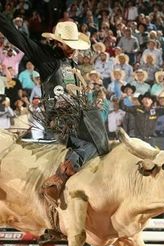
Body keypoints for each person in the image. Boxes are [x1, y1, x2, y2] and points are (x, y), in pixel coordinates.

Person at [0, 15, 110, 207]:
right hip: (60, 118)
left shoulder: (72, 65)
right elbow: (17, 37)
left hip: (77, 115)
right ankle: (58, 179)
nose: (72, 50)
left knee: (101, 146)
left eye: (74, 46)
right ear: (57, 43)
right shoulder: (45, 57)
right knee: (94, 144)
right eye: (69, 45)